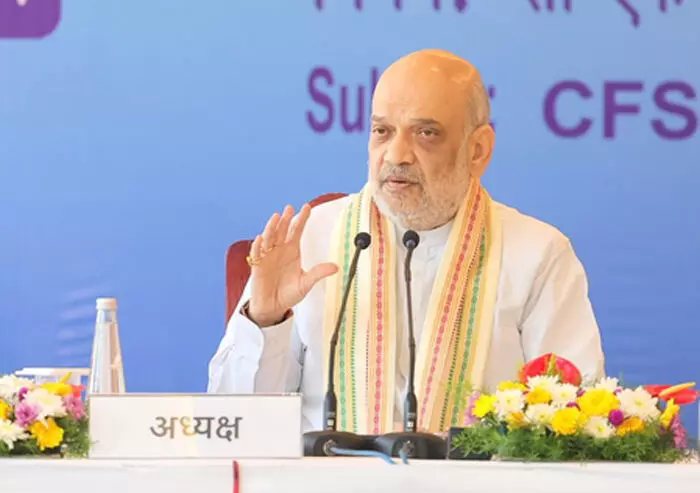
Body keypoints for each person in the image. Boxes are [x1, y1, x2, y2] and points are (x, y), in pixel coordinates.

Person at [208, 49, 605, 434]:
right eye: (382, 131)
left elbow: (574, 421)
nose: (396, 155)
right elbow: (233, 421)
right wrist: (265, 319)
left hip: (477, 481)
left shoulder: (538, 254)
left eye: (426, 133)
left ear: (478, 150)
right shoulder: (311, 239)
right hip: (326, 478)